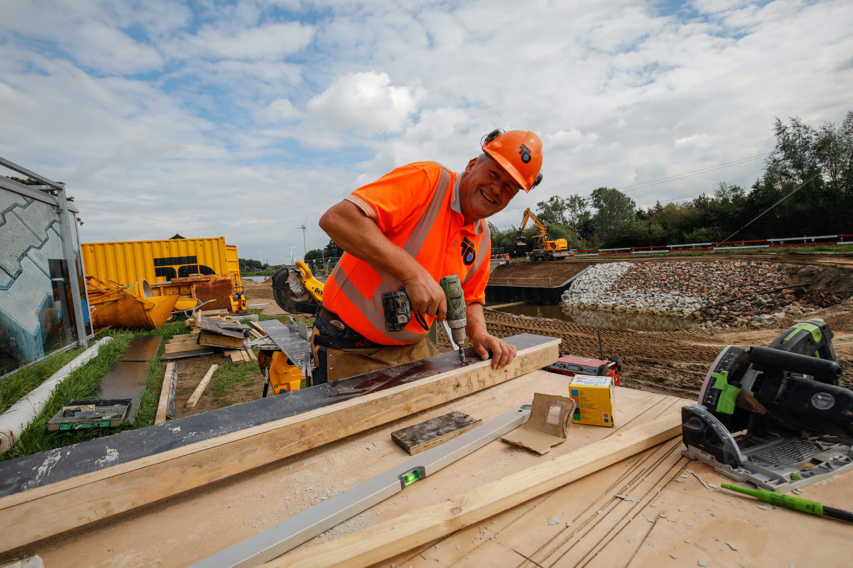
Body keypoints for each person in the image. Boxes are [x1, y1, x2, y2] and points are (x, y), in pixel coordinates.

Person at [313, 129, 544, 384]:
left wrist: (479, 333)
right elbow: (338, 219)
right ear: (471, 166)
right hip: (349, 346)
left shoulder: (483, 237)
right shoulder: (429, 181)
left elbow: (471, 298)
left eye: (509, 188)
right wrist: (413, 275)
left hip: (412, 350)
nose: (496, 189)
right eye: (493, 174)